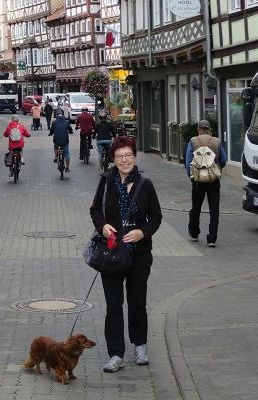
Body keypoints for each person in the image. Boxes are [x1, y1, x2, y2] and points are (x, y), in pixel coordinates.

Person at [90, 136, 162, 373]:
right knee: (113, 305)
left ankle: (140, 346)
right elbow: (95, 210)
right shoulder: (106, 181)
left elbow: (156, 217)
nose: (124, 160)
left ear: (134, 156)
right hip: (112, 252)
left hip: (139, 254)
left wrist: (142, 232)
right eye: (119, 156)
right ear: (113, 159)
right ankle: (115, 354)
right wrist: (103, 227)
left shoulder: (145, 184)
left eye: (128, 155)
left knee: (137, 302)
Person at [185, 119, 227, 247]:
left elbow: (188, 162)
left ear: (198, 129)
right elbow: (224, 161)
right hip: (213, 180)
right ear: (209, 129)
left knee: (196, 207)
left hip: (198, 180)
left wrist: (191, 176)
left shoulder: (193, 141)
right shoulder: (216, 141)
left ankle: (194, 233)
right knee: (214, 210)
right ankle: (211, 238)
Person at [49, 109, 73, 173]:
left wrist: (50, 133)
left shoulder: (54, 122)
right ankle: (67, 167)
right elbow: (70, 129)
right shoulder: (66, 122)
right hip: (65, 141)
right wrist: (70, 132)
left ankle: (56, 156)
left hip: (57, 140)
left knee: (56, 146)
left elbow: (51, 130)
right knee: (67, 154)